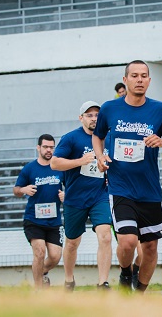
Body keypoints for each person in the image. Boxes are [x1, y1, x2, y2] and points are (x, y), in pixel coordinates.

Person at [93, 60, 162, 293]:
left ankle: (140, 293)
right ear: (126, 80)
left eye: (144, 76)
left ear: (149, 81)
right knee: (128, 241)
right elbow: (97, 136)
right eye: (134, 75)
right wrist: (100, 156)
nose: (139, 79)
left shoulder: (160, 110)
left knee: (150, 247)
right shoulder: (110, 108)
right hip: (120, 186)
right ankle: (125, 272)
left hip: (149, 189)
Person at [51, 101, 112, 290]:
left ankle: (103, 283)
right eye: (89, 115)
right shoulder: (71, 138)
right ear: (81, 118)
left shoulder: (107, 138)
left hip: (99, 196)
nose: (94, 118)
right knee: (72, 242)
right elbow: (54, 163)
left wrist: (111, 175)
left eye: (96, 115)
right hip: (75, 199)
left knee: (105, 236)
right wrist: (80, 161)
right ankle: (69, 279)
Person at [14, 134, 64, 289]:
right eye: (45, 147)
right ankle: (38, 290)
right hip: (33, 219)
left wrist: (66, 195)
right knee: (40, 251)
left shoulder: (59, 168)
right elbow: (15, 190)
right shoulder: (30, 168)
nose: (49, 150)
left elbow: (72, 186)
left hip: (54, 220)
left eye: (51, 147)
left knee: (55, 256)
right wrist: (23, 189)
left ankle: (41, 272)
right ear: (38, 148)